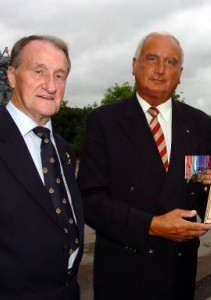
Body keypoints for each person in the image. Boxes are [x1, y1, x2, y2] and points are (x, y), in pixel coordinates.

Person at [77, 31, 211, 300]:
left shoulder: (200, 125)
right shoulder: (103, 121)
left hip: (179, 277)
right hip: (124, 277)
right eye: (152, 58)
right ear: (134, 65)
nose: (161, 70)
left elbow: (202, 191)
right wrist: (151, 224)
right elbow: (90, 200)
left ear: (180, 73)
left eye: (171, 62)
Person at [0, 35, 84, 299]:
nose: (50, 85)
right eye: (39, 71)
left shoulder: (63, 150)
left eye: (59, 76)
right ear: (12, 76)